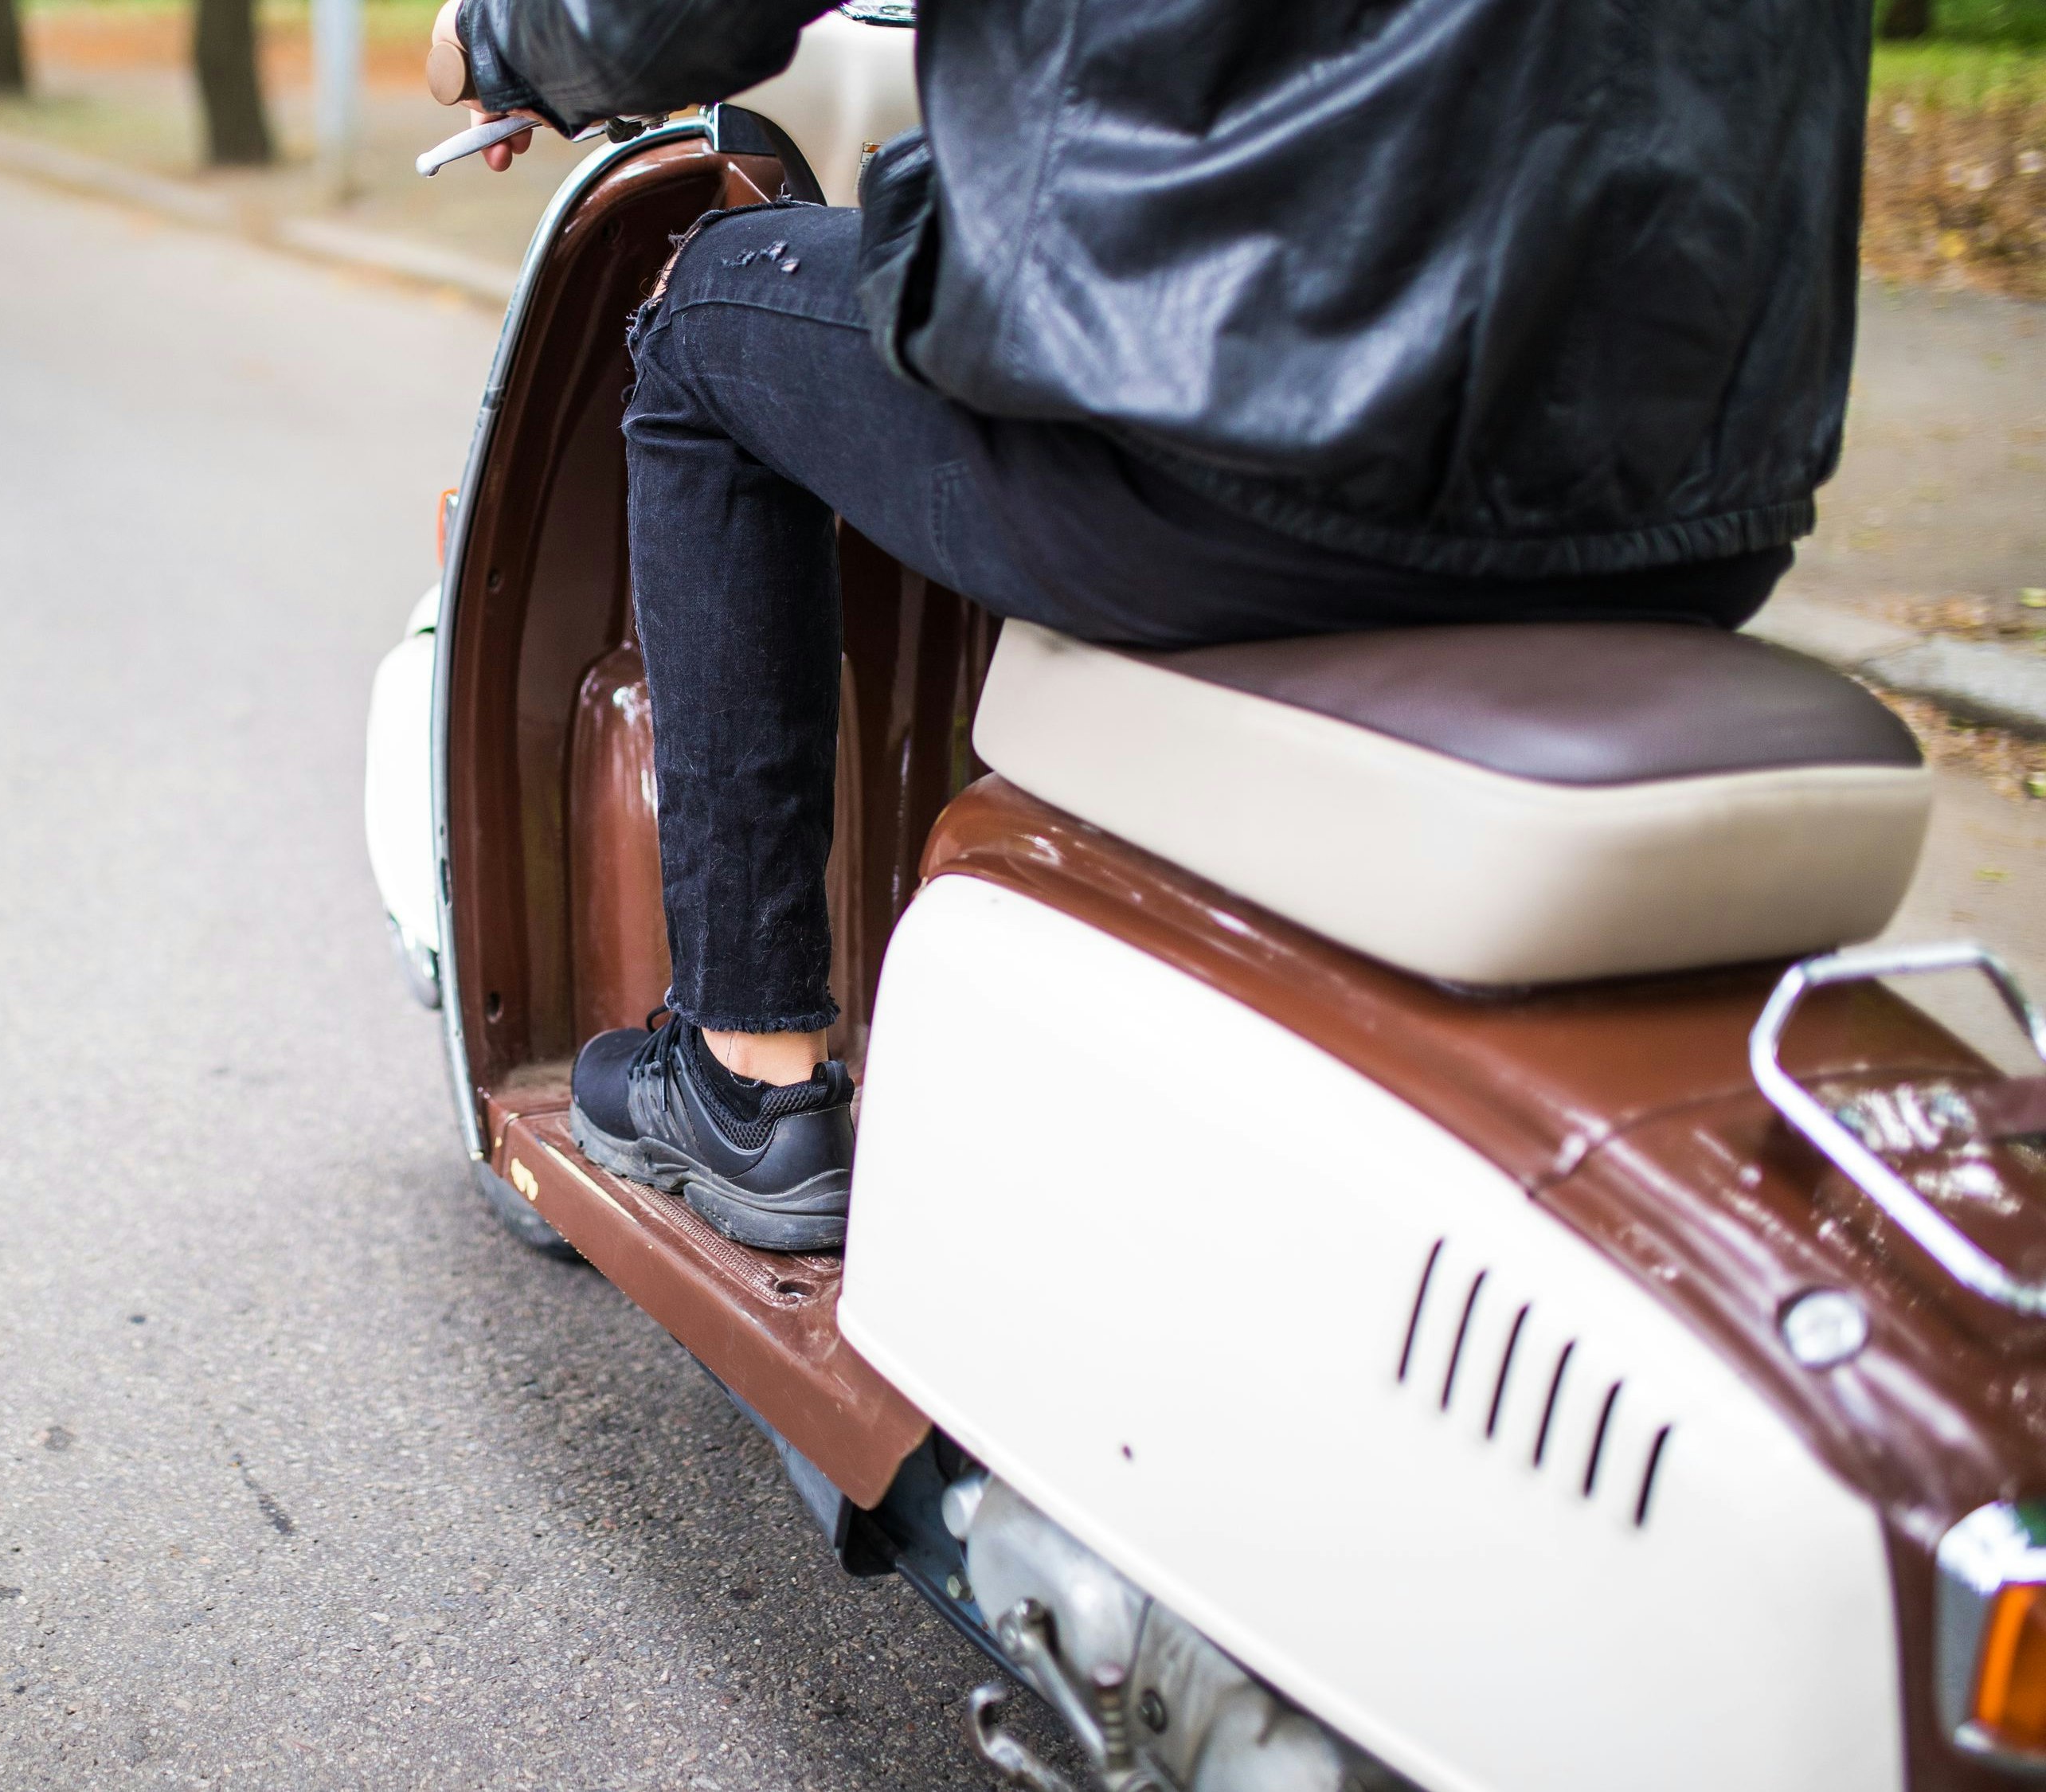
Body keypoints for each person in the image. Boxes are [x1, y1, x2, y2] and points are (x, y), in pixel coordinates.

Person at [426, 0, 1874, 1252]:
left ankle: (750, 1071)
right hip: (1683, 507)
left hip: (1235, 460)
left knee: (704, 321)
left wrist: (494, 42)